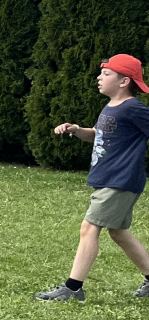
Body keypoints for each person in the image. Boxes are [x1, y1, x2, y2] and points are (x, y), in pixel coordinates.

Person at [36, 54, 149, 302]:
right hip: (110, 178)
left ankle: (73, 288)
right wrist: (77, 130)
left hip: (120, 180)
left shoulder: (133, 108)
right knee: (118, 233)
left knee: (89, 227)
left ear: (124, 81)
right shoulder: (112, 106)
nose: (99, 77)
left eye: (106, 74)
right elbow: (98, 135)